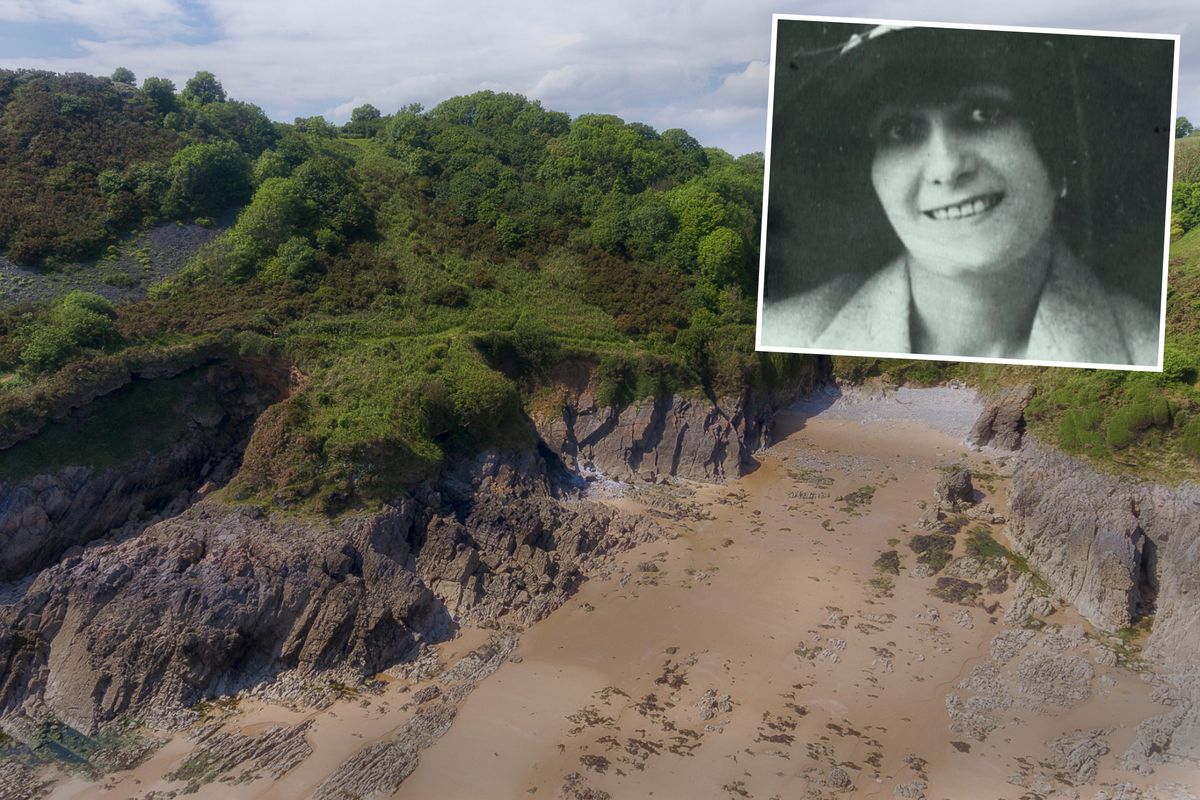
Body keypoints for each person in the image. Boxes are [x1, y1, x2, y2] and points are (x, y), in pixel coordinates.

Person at [759, 22, 1170, 367]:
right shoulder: (785, 334)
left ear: (1058, 153)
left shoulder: (1146, 350)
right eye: (901, 130)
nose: (946, 168)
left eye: (984, 114)